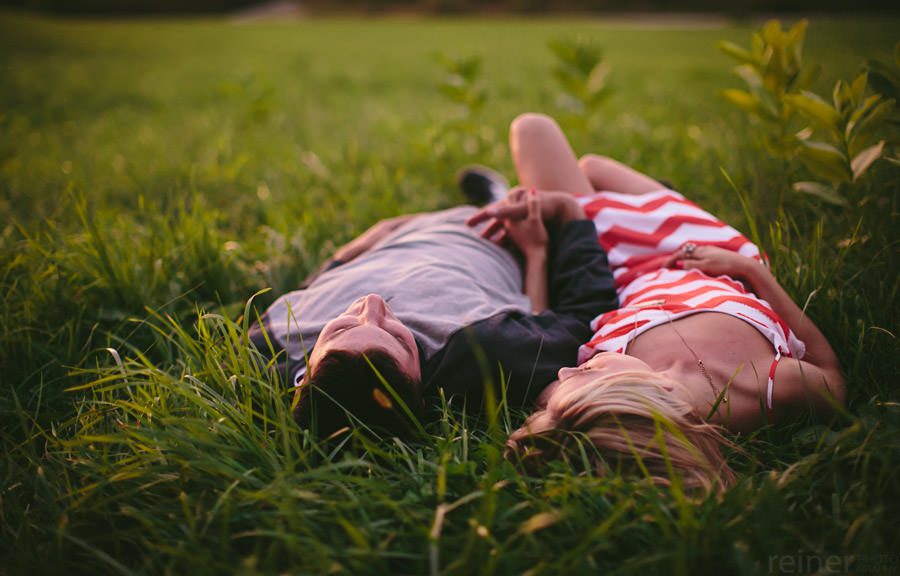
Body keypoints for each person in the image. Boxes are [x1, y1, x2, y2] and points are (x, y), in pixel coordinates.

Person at [467, 113, 846, 492]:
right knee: (576, 158)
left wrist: (537, 254)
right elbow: (827, 369)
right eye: (583, 373)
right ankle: (506, 196)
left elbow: (544, 328)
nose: (564, 374)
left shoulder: (576, 406)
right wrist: (752, 271)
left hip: (607, 263)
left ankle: (504, 198)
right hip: (703, 252)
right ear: (635, 394)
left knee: (547, 141)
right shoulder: (762, 388)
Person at [248, 182, 618, 438]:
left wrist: (380, 231)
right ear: (422, 388)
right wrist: (537, 251)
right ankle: (497, 194)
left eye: (340, 330)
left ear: (306, 371)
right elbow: (581, 311)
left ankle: (489, 193)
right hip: (499, 230)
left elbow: (317, 283)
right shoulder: (481, 350)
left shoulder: (277, 337)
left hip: (401, 233)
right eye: (397, 337)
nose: (372, 304)